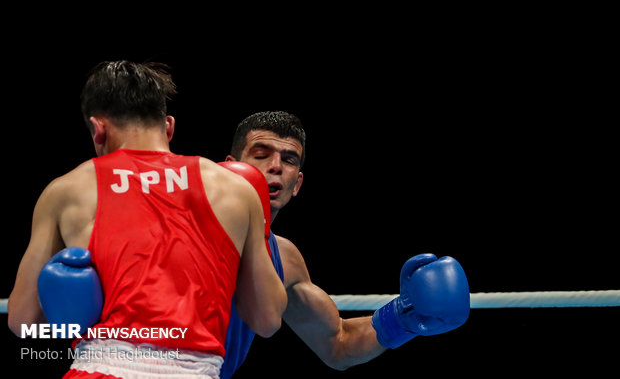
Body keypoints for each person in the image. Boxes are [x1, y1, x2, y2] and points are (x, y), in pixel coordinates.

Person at [7, 61, 287, 379]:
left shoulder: (67, 190)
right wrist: (259, 225)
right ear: (168, 127)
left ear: (98, 130)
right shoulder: (235, 190)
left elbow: (23, 322)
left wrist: (71, 313)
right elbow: (267, 319)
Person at [220, 111, 470, 378]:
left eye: (289, 159)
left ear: (297, 184)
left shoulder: (285, 259)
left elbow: (337, 343)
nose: (276, 166)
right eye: (261, 154)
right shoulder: (186, 227)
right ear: (229, 167)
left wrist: (403, 316)